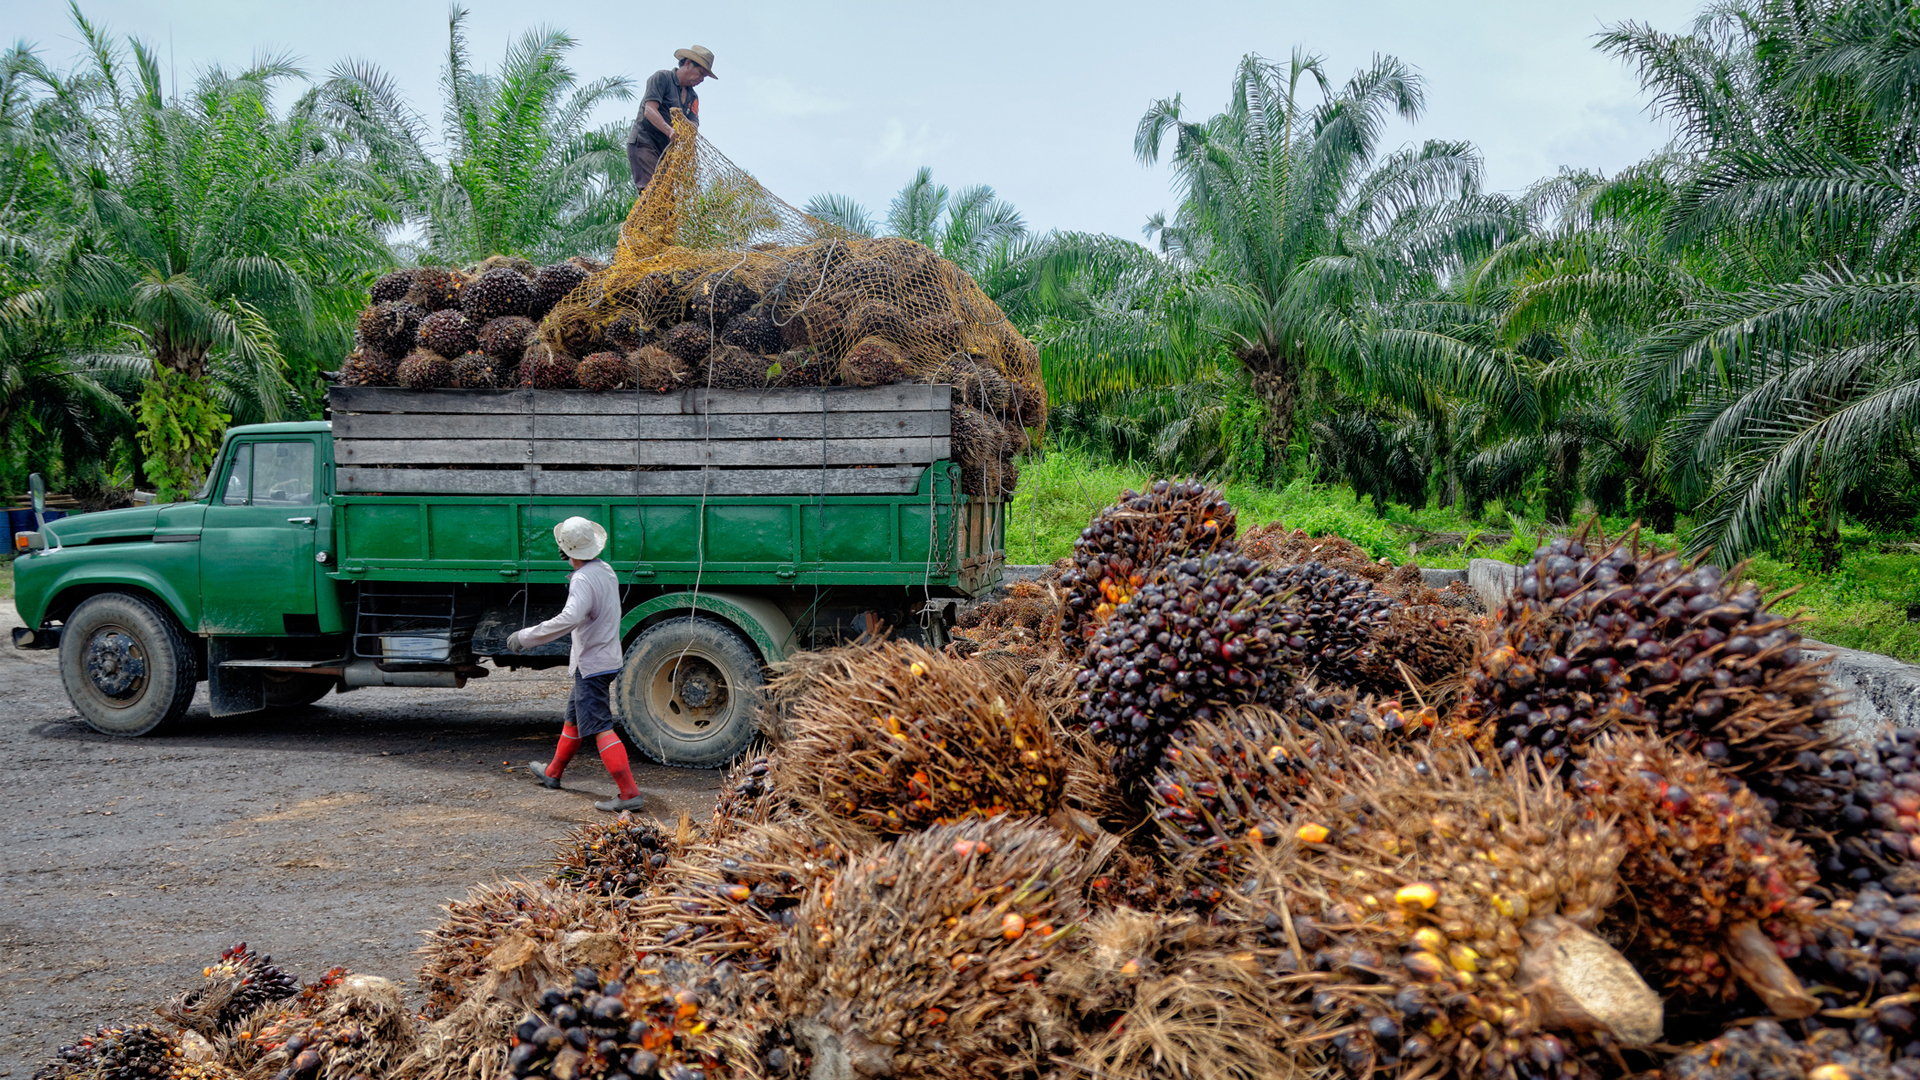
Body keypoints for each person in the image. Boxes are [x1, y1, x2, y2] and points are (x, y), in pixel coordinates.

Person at [507, 516, 645, 812]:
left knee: (600, 727)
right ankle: (553, 773)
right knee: (573, 718)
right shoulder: (605, 570)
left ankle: (629, 793)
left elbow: (569, 618)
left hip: (593, 665)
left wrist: (525, 637)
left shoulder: (582, 579)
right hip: (605, 658)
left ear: (565, 551)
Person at [626, 46, 716, 193]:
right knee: (652, 193)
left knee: (667, 198)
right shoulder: (662, 78)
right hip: (644, 143)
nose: (701, 80)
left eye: (704, 77)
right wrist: (669, 130)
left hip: (665, 152)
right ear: (688, 63)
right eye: (700, 73)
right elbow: (649, 110)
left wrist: (687, 132)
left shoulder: (693, 97)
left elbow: (693, 124)